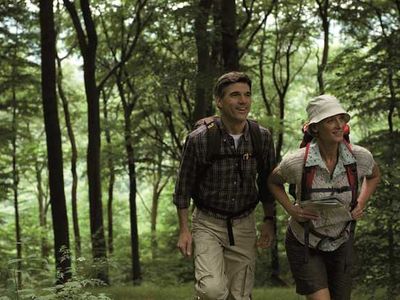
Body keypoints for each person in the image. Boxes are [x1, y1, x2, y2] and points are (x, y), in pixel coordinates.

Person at [173, 71, 276, 300]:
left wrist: (269, 221)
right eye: (235, 95)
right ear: (219, 101)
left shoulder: (261, 137)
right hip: (208, 223)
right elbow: (183, 188)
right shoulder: (199, 139)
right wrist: (184, 230)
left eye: (247, 95)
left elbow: (268, 183)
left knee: (239, 295)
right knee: (212, 290)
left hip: (244, 223)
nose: (243, 101)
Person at [268, 95, 381, 300]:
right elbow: (273, 182)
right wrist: (291, 209)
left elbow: (374, 176)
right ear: (314, 129)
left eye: (341, 119)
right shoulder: (296, 162)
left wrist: (361, 202)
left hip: (342, 240)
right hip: (305, 241)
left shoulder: (360, 157)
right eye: (330, 120)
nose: (338, 125)